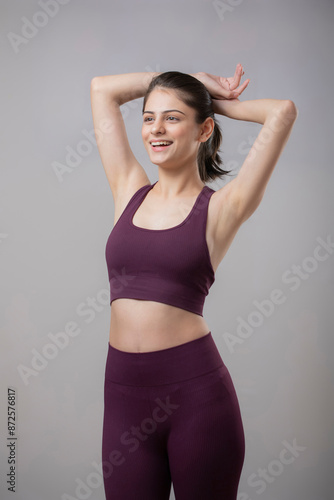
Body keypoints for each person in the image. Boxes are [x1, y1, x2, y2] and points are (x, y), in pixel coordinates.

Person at [90, 65, 297, 500]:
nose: (156, 129)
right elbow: (102, 90)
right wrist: (192, 81)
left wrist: (213, 103)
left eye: (173, 118)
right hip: (124, 399)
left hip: (197, 400)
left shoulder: (222, 208)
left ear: (204, 130)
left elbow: (282, 112)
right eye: (148, 117)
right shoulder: (129, 190)